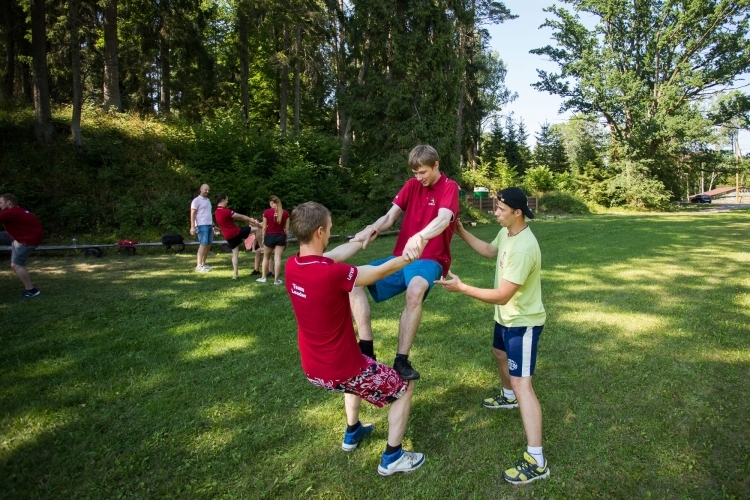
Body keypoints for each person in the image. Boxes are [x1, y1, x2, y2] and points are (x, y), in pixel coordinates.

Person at [285, 201, 427, 476]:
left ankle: (353, 432)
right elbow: (377, 273)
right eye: (329, 229)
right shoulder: (331, 274)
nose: (330, 233)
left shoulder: (293, 266)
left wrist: (361, 238)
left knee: (356, 375)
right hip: (342, 368)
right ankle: (393, 457)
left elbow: (334, 255)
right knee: (403, 389)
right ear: (319, 232)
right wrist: (410, 256)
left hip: (314, 369)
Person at [435, 187, 549, 485]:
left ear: (517, 212)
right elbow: (489, 250)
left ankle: (537, 461)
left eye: (499, 209)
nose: (494, 212)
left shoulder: (524, 247)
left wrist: (463, 288)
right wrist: (459, 230)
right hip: (506, 318)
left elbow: (501, 295)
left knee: (524, 385)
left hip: (522, 323)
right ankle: (508, 396)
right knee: (499, 354)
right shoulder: (508, 234)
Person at [349, 144, 459, 380]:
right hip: (401, 257)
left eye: (423, 173)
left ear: (436, 165)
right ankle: (366, 349)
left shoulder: (450, 188)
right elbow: (390, 215)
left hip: (430, 259)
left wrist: (420, 236)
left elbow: (443, 220)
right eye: (415, 173)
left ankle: (401, 360)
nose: (419, 178)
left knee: (415, 290)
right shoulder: (412, 185)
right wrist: (372, 228)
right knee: (352, 280)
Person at [0, 193, 43, 298]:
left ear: (8, 202)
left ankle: (31, 290)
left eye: (1, 203)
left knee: (16, 265)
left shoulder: (11, 212)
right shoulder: (17, 210)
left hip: (27, 240)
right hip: (20, 236)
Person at [213, 194, 261, 279]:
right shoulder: (226, 211)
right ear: (223, 200)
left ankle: (235, 274)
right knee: (257, 229)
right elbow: (241, 217)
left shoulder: (216, 212)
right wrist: (251, 220)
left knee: (235, 253)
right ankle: (262, 246)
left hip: (228, 236)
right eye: (227, 200)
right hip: (236, 232)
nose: (227, 201)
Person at [256, 195, 289, 285]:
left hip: (270, 236)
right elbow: (287, 228)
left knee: (266, 257)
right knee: (277, 259)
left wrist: (263, 238)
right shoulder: (285, 213)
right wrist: (286, 239)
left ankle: (263, 277)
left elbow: (264, 228)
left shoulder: (266, 212)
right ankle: (276, 280)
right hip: (281, 236)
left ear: (271, 203)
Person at [190, 184, 214, 272]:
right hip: (201, 225)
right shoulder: (196, 201)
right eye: (205, 189)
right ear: (201, 189)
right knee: (203, 244)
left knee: (208, 244)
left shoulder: (208, 201)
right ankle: (198, 265)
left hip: (209, 225)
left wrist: (213, 225)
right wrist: (192, 226)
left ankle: (203, 263)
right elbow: (192, 214)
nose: (207, 191)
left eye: (208, 190)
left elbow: (209, 214)